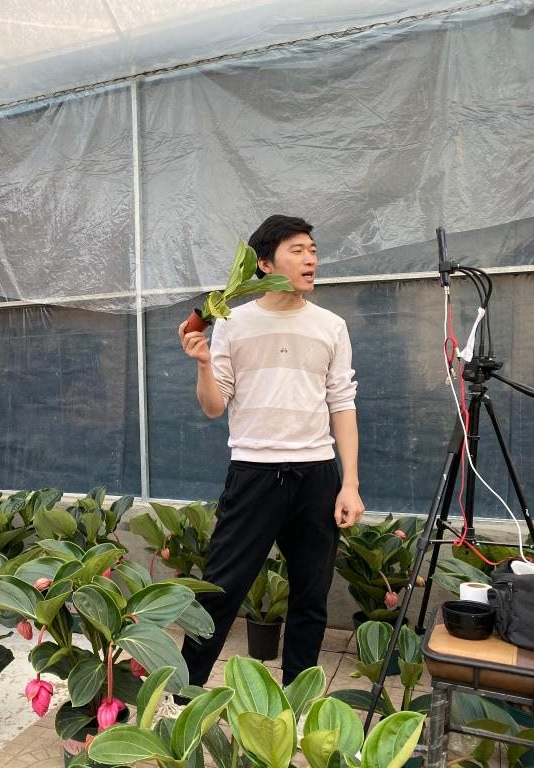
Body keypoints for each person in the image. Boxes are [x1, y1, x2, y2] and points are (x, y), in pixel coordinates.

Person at [177, 214, 365, 687]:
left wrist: (350, 484)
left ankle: (296, 698)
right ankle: (184, 693)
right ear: (264, 264)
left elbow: (342, 403)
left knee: (311, 596)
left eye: (313, 251)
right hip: (255, 473)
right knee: (219, 590)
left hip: (316, 474)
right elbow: (214, 406)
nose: (310, 259)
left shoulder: (331, 326)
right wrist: (203, 364)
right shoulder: (233, 321)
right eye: (297, 251)